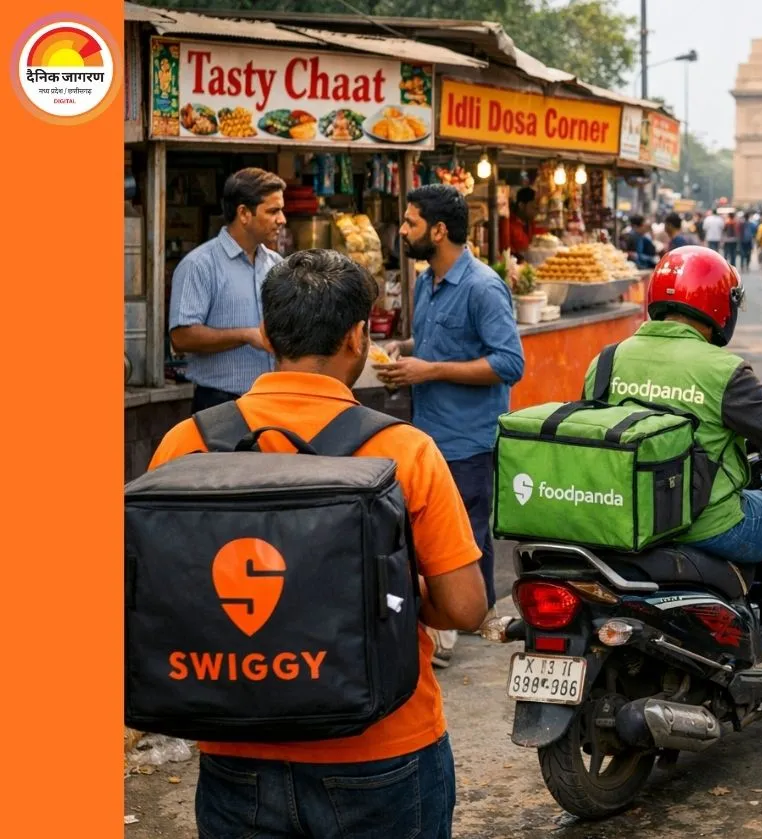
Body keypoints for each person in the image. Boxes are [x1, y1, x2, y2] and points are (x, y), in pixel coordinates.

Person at [150, 249, 489, 839]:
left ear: (267, 334)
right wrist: (390, 594)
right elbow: (465, 608)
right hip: (382, 746)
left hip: (234, 750)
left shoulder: (186, 444)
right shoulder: (405, 451)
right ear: (357, 337)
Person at [585, 246, 762, 661]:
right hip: (704, 522)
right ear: (720, 306)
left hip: (620, 516)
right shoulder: (723, 370)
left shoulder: (606, 361)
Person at [377, 185, 526, 653]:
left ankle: (463, 625)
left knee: (464, 538)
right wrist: (404, 352)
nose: (403, 231)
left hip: (468, 440)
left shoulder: (483, 287)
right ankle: (464, 620)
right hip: (429, 433)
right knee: (447, 535)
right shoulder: (426, 281)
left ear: (439, 230)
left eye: (411, 222)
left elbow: (510, 362)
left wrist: (430, 370)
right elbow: (436, 346)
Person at [169, 167, 286, 411]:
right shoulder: (200, 265)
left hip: (271, 401)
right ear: (243, 213)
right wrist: (246, 335)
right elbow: (181, 338)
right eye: (273, 211)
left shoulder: (276, 264)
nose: (282, 219)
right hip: (219, 405)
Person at [498, 186, 544, 258]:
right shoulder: (507, 225)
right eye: (534, 207)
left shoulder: (532, 223)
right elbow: (505, 251)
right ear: (521, 205)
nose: (537, 211)